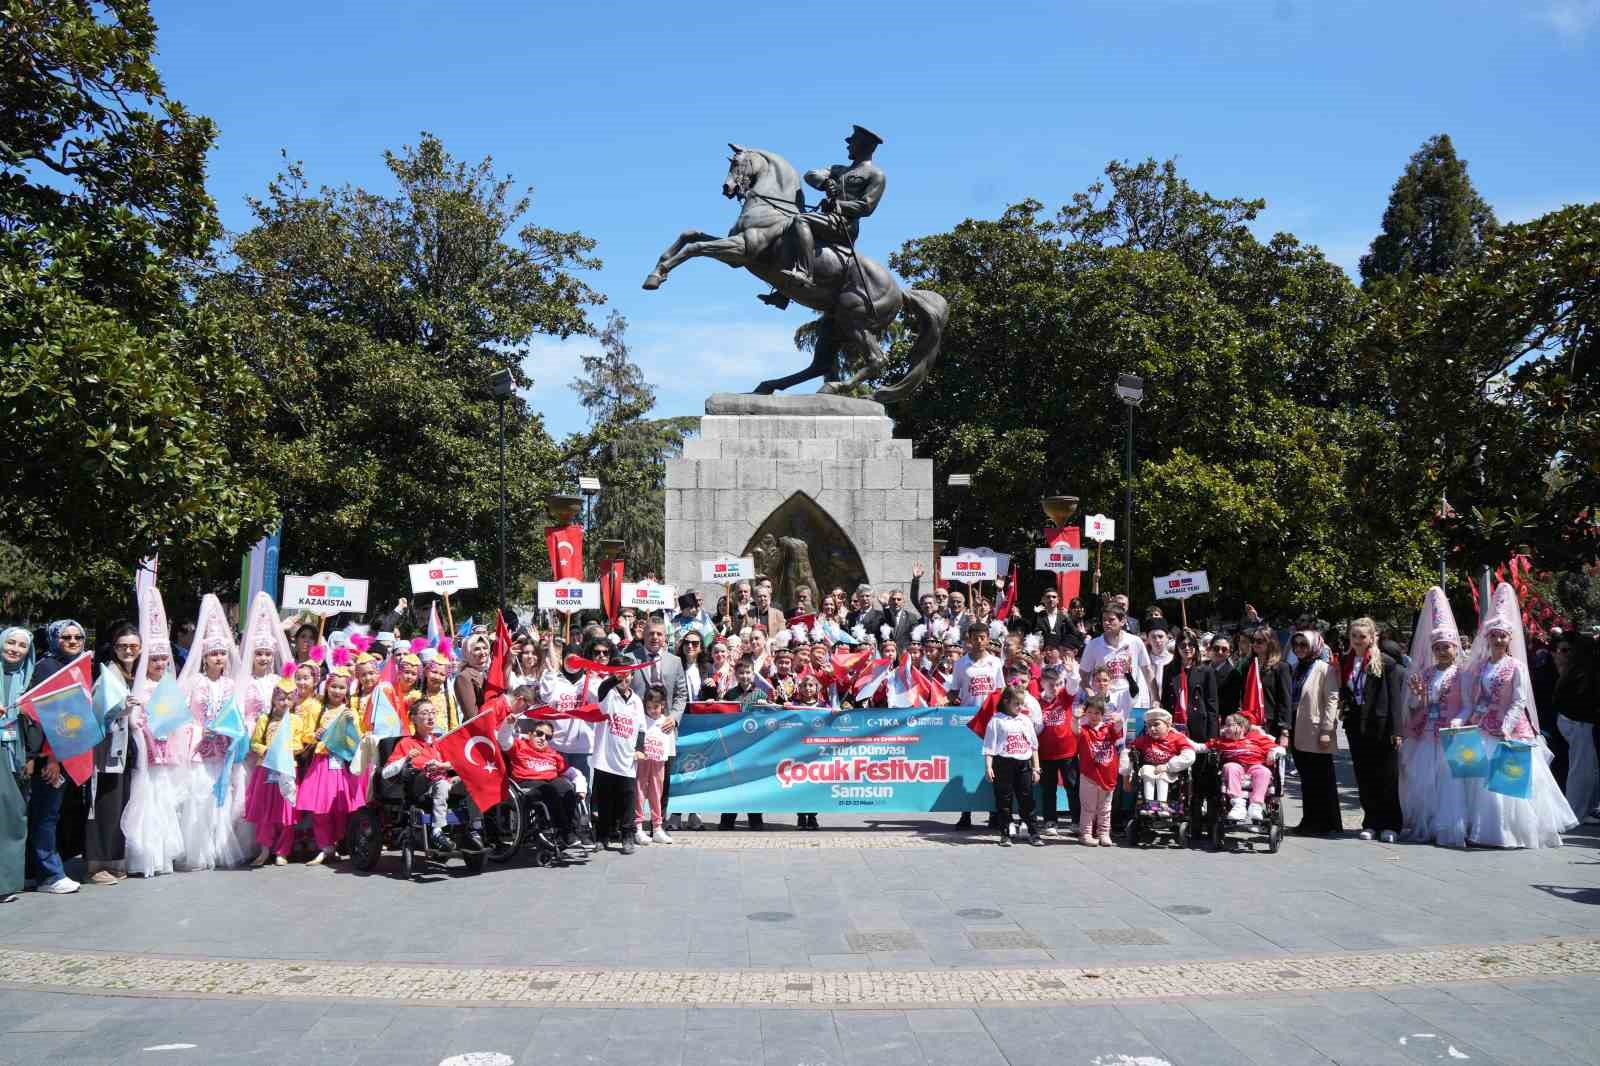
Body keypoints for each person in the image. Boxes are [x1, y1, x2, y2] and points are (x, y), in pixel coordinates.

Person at [1462, 585, 1577, 848]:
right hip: (1485, 727)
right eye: (1494, 636)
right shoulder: (1481, 667)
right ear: (1488, 638)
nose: (1498, 640)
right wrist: (1471, 718)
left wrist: (1506, 725)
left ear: (1509, 639)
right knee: (1484, 784)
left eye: (1503, 636)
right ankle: (1489, 831)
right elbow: (1478, 697)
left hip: (1511, 729)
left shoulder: (1517, 666)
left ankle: (1514, 832)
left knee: (1511, 782)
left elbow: (1519, 699)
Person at [176, 596, 246, 870]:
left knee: (220, 796)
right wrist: (198, 731)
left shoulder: (231, 684)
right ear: (204, 657)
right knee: (199, 796)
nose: (219, 658)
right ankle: (198, 850)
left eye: (222, 653)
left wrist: (230, 732)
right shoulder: (194, 681)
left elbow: (237, 716)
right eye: (214, 654)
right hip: (199, 748)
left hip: (223, 749)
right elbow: (181, 715)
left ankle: (218, 848)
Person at [122, 585, 185, 879]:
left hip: (165, 755)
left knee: (163, 803)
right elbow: (134, 719)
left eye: (163, 659)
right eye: (154, 659)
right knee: (145, 803)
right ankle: (144, 857)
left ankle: (162, 857)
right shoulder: (141, 687)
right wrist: (142, 725)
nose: (160, 664)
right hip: (146, 755)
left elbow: (178, 723)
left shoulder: (168, 686)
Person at [1400, 590, 1470, 846]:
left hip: (1452, 735)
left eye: (1446, 647)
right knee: (1425, 782)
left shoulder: (1463, 674)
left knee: (1450, 783)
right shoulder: (1426, 673)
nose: (1442, 651)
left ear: (1455, 648)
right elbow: (1417, 704)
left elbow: (1468, 705)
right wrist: (1419, 698)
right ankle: (1426, 824)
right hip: (1427, 734)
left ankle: (1448, 827)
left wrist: (1459, 720)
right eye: (1437, 648)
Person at [382, 701, 483, 852]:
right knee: (442, 784)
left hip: (446, 782)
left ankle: (475, 827)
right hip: (422, 788)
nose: (430, 716)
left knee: (474, 779)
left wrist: (443, 766)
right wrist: (406, 758)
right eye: (425, 713)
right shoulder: (406, 743)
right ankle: (437, 831)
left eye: (433, 712)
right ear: (414, 718)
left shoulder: (439, 742)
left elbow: (456, 764)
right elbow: (386, 772)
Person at [84, 622, 140, 885]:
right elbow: (96, 714)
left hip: (126, 751)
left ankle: (114, 861)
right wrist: (121, 710)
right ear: (114, 648)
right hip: (107, 752)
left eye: (133, 646)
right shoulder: (108, 676)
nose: (128, 651)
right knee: (103, 805)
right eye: (123, 646)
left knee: (119, 805)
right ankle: (96, 865)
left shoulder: (134, 674)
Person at [1340, 617, 1405, 842]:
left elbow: (1395, 699)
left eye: (1362, 636)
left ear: (1371, 638)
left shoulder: (1385, 662)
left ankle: (1391, 824)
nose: (1357, 640)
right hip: (1356, 725)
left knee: (1386, 776)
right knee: (1364, 776)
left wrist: (1397, 731)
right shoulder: (1346, 660)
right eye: (1354, 636)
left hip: (1382, 726)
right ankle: (1371, 822)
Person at [297, 665, 368, 866]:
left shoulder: (350, 712)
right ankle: (324, 845)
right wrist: (315, 735)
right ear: (326, 687)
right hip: (321, 764)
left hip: (341, 765)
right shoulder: (317, 708)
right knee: (320, 808)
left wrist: (351, 726)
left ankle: (335, 843)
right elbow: (305, 735)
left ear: (347, 690)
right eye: (333, 687)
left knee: (340, 808)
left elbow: (356, 741)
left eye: (342, 687)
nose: (337, 691)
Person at [498, 707, 587, 852]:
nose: (543, 738)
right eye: (539, 734)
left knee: (567, 788)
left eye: (548, 737)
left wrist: (581, 788)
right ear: (530, 734)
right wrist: (507, 725)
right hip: (526, 785)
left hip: (549, 783)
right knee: (549, 790)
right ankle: (565, 832)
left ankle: (572, 831)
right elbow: (503, 740)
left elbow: (574, 773)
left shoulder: (553, 754)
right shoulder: (519, 746)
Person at [1285, 629, 1342, 836]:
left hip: (1316, 730)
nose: (1299, 649)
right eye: (1296, 645)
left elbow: (1332, 699)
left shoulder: (1324, 668)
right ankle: (1309, 820)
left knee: (1320, 778)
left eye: (1304, 645)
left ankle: (1323, 822)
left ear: (1314, 646)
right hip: (1297, 729)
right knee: (1307, 778)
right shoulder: (1295, 668)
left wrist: (1327, 729)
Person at [245, 680, 305, 866]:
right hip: (267, 769)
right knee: (266, 810)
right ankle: (264, 849)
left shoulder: (296, 720)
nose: (285, 703)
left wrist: (286, 750)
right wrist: (267, 750)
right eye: (281, 699)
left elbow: (299, 744)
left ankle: (282, 851)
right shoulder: (265, 719)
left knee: (286, 810)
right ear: (273, 700)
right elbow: (254, 743)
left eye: (289, 699)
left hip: (287, 769)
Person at [1, 627, 39, 901]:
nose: (15, 649)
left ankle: (6, 883)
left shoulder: (30, 681)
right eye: (10, 642)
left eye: (22, 645)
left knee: (13, 817)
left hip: (17, 755)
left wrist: (32, 756)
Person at [590, 671, 646, 853]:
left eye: (628, 675)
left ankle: (627, 836)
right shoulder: (608, 694)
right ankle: (602, 836)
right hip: (605, 759)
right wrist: (616, 677)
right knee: (604, 800)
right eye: (621, 675)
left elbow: (641, 728)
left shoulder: (637, 701)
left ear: (633, 677)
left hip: (627, 760)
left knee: (627, 800)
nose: (624, 679)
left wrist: (639, 749)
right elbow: (602, 687)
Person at [982, 687, 1041, 847]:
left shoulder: (1025, 720)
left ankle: (1033, 832)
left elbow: (1034, 746)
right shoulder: (996, 720)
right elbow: (989, 747)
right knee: (1004, 800)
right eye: (1016, 703)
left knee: (1027, 799)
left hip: (1023, 763)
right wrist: (988, 767)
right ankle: (1005, 833)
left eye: (1022, 704)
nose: (1020, 707)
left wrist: (1036, 768)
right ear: (1006, 702)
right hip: (1003, 763)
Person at [1203, 714, 1284, 824]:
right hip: (1235, 768)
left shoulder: (1256, 737)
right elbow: (1201, 747)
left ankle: (1256, 806)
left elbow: (1280, 749)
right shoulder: (1222, 741)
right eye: (1224, 725)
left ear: (1241, 727)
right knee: (1230, 767)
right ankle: (1238, 805)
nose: (1224, 728)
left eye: (1229, 725)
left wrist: (1272, 752)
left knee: (1264, 771)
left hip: (1255, 767)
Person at [1079, 605, 1154, 722]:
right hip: (1103, 703)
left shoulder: (1135, 641)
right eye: (1104, 619)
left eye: (1111, 620)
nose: (1106, 623)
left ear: (1122, 621)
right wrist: (1091, 695)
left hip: (1129, 700)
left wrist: (1156, 699)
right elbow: (1083, 676)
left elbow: (1147, 671)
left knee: (1129, 733)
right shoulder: (1093, 645)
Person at [1036, 662, 1079, 836]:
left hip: (1068, 751)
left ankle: (1076, 821)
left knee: (1072, 787)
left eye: (1058, 684)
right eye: (1051, 684)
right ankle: (1050, 821)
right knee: (1048, 789)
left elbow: (1074, 685)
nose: (1055, 688)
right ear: (1042, 683)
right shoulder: (1036, 702)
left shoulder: (1065, 697)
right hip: (1045, 754)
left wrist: (1071, 672)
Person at [1076, 695, 1123, 847]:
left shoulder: (1109, 729)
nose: (1093, 716)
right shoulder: (1083, 729)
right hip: (1088, 775)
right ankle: (1085, 834)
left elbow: (1118, 728)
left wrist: (1119, 720)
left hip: (1108, 775)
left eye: (1097, 713)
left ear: (1103, 714)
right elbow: (1075, 730)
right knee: (1088, 807)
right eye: (1089, 712)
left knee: (1105, 808)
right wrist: (1075, 718)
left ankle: (1104, 833)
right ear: (1085, 713)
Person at [1130, 709, 1195, 814]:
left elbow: (1189, 755)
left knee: (1162, 775)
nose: (1152, 729)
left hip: (1169, 770)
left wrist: (1168, 766)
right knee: (1147, 770)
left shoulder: (1177, 738)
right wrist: (1126, 772)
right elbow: (1129, 749)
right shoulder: (1145, 739)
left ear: (1168, 725)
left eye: (1156, 725)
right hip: (1150, 768)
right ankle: (1149, 804)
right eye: (1149, 726)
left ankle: (1162, 805)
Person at [634, 685, 676, 845]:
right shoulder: (641, 720)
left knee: (656, 794)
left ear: (663, 705)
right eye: (649, 707)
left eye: (656, 707)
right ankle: (638, 827)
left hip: (659, 763)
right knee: (639, 793)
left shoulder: (666, 722)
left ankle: (657, 828)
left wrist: (667, 760)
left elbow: (670, 745)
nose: (652, 710)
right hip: (643, 762)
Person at [1162, 630, 1218, 740]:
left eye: (1191, 645)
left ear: (1196, 647)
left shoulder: (1206, 671)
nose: (1187, 648)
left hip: (1199, 726)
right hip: (1174, 725)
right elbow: (1165, 700)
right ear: (1177, 648)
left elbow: (1212, 705)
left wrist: (1213, 736)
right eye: (1182, 645)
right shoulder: (1168, 669)